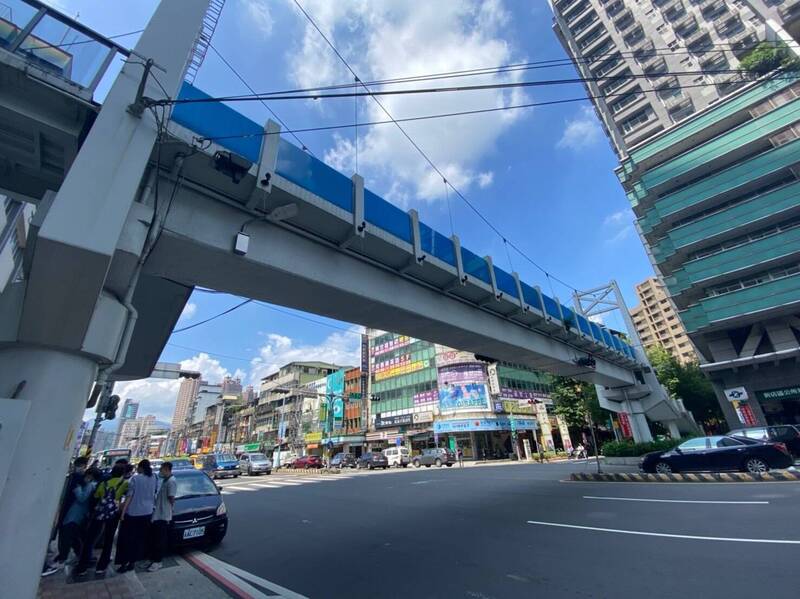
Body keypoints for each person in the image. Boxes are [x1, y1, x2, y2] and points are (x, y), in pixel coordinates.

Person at [75, 463, 128, 576]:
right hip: (113, 515)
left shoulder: (103, 483)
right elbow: (128, 496)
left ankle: (82, 566)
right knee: (108, 541)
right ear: (123, 474)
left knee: (89, 540)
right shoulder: (124, 483)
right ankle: (101, 567)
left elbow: (95, 498)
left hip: (99, 514)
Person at [115, 459, 157, 573]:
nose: (137, 469)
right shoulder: (154, 478)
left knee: (127, 539)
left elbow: (129, 496)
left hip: (133, 513)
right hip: (147, 513)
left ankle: (124, 563)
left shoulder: (136, 478)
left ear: (141, 468)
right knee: (139, 539)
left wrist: (123, 513)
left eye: (138, 467)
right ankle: (132, 562)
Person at [54, 465, 99, 569]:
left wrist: (77, 488)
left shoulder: (89, 485)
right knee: (74, 537)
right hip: (79, 514)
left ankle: (63, 558)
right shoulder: (92, 485)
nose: (85, 477)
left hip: (76, 515)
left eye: (87, 475)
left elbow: (82, 498)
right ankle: (80, 555)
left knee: (67, 535)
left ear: (91, 476)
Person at [146, 462, 177, 572]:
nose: (160, 471)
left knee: (160, 539)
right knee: (156, 538)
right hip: (158, 514)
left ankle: (158, 562)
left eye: (162, 469)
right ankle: (154, 559)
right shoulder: (165, 480)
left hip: (164, 515)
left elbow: (171, 498)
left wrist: (170, 510)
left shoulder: (171, 482)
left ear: (167, 469)